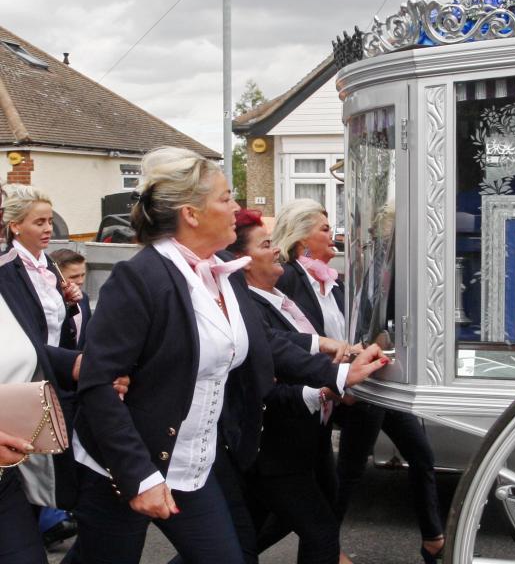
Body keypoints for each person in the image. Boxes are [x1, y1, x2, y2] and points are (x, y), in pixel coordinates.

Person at [69, 147, 388, 564]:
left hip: (196, 466)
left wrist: (338, 374)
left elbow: (265, 344)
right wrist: (138, 477)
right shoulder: (141, 278)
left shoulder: (219, 270)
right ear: (191, 214)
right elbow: (98, 385)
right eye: (225, 198)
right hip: (125, 467)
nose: (237, 209)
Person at [272, 199, 446, 564]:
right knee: (346, 473)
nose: (333, 234)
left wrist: (370, 350)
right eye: (324, 228)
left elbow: (354, 335)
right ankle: (328, 549)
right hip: (329, 392)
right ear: (302, 239)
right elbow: (287, 342)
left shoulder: (333, 284)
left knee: (421, 453)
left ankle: (433, 537)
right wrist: (339, 381)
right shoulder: (289, 277)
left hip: (360, 386)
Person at [226, 208, 346, 564]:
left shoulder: (279, 298)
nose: (276, 248)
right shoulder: (251, 306)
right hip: (275, 447)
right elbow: (269, 367)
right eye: (266, 244)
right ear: (243, 262)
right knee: (320, 530)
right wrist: (326, 385)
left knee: (249, 536)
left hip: (305, 439)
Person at [0, 182, 92, 563]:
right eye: (37, 221)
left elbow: (29, 343)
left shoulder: (39, 267)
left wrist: (76, 364)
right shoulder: (8, 272)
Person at [0, 184, 83, 350]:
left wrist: (68, 303)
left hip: (55, 366)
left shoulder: (50, 265)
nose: (49, 229)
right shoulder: (5, 269)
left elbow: (56, 326)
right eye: (40, 223)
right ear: (16, 226)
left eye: (50, 222)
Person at [49, 248, 92, 350]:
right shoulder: (47, 303)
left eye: (83, 275)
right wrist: (66, 305)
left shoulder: (84, 298)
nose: (80, 281)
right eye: (74, 277)